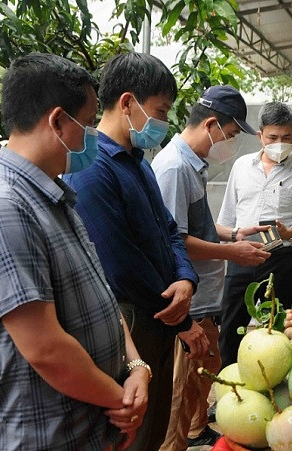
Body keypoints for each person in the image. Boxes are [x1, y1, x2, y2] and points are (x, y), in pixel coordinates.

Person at [0, 53, 150, 449]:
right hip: (49, 438)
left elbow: (103, 298)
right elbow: (45, 349)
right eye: (89, 123)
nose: (91, 135)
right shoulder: (1, 207)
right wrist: (122, 401)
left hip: (90, 428)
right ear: (58, 121)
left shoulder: (52, 195)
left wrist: (137, 367)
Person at [63, 52, 206, 451]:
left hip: (158, 310)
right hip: (131, 317)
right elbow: (119, 263)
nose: (163, 123)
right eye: (160, 111)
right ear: (128, 103)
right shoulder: (93, 169)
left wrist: (185, 278)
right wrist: (181, 318)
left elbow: (169, 231)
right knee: (133, 431)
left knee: (155, 423)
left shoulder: (140, 163)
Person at [151, 85, 271, 449]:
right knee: (180, 387)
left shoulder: (191, 164)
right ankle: (175, 443)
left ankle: (195, 428)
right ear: (212, 125)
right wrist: (232, 253)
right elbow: (176, 242)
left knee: (202, 375)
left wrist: (233, 233)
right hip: (188, 298)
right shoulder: (173, 168)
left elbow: (195, 225)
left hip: (204, 296)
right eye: (232, 135)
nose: (231, 144)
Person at [217, 101, 292, 367]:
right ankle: (228, 383)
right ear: (260, 136)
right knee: (231, 327)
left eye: (286, 137)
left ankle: (272, 387)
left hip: (280, 259)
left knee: (277, 330)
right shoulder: (241, 167)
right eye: (273, 137)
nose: (280, 143)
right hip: (240, 256)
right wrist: (233, 235)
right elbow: (226, 217)